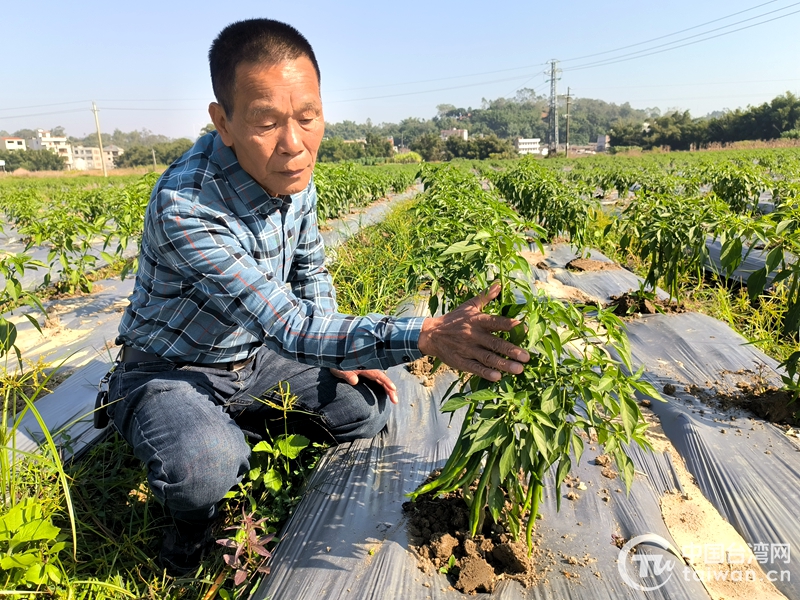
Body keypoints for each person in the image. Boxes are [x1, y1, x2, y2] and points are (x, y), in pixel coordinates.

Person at [105, 18, 529, 576]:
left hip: (254, 356)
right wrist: (424, 336)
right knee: (206, 466)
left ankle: (233, 428)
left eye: (308, 118)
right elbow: (289, 325)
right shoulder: (187, 206)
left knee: (366, 411)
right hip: (174, 368)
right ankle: (192, 505)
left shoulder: (294, 176)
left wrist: (345, 357)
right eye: (266, 123)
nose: (295, 144)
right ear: (223, 122)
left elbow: (309, 277)